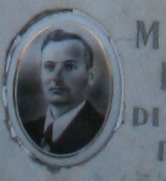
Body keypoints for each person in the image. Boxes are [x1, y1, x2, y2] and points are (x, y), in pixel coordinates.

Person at [15, 24, 112, 161]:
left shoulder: (100, 130)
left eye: (69, 67)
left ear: (90, 76)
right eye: (49, 67)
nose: (56, 77)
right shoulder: (28, 130)